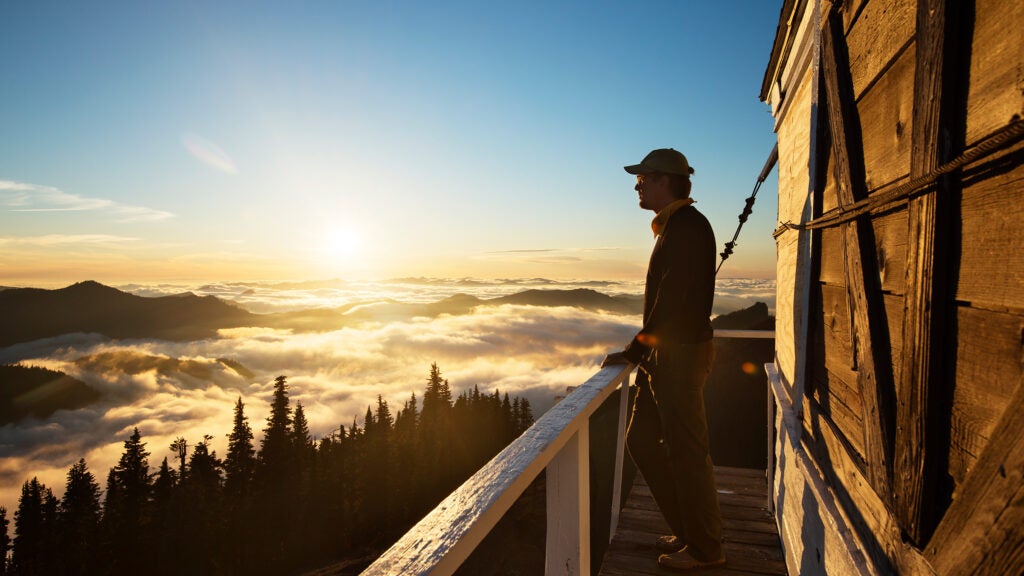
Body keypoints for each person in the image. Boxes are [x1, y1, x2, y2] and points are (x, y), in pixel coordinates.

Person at [602, 148, 725, 571]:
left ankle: (707, 549)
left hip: (680, 356)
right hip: (667, 355)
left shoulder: (687, 228)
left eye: (643, 179)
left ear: (663, 180)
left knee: (688, 454)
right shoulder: (677, 227)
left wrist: (635, 351)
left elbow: (671, 302)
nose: (637, 185)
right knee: (641, 441)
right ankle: (691, 533)